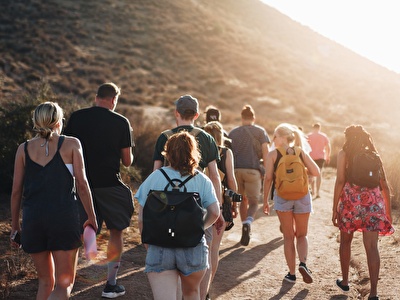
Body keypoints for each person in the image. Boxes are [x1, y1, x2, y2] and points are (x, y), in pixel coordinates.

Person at [10, 102, 98, 300]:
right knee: (63, 285)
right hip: (64, 219)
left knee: (45, 282)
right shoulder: (72, 144)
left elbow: (16, 191)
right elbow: (82, 185)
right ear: (59, 121)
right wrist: (91, 217)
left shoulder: (23, 149)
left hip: (33, 220)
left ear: (36, 121)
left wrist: (15, 226)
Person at [64, 82, 134, 298]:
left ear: (96, 97)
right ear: (114, 99)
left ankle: (67, 284)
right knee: (116, 230)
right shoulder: (121, 121)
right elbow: (128, 161)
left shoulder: (76, 117)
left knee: (80, 228)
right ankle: (110, 285)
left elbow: (65, 150)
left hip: (80, 183)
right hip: (109, 184)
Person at [152, 95, 224, 300]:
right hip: (198, 205)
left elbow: (155, 172)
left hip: (167, 205)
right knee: (204, 254)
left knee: (169, 254)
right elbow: (215, 176)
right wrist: (217, 208)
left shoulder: (163, 136)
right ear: (197, 115)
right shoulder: (207, 138)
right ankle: (200, 296)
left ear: (176, 113)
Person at [135, 131, 220, 300]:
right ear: (193, 152)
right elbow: (215, 212)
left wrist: (147, 241)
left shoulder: (155, 177)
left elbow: (141, 216)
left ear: (168, 152)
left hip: (160, 245)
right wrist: (197, 228)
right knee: (191, 294)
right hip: (192, 246)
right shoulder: (202, 180)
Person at [332, 125, 394, 300]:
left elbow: (340, 181)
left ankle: (345, 282)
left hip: (351, 203)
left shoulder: (345, 154)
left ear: (347, 138)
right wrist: (387, 213)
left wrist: (334, 208)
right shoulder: (374, 156)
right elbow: (385, 186)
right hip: (373, 204)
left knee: (345, 241)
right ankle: (373, 293)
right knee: (372, 247)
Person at [262, 123, 320, 284]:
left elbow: (267, 179)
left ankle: (292, 274)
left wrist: (266, 200)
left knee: (288, 237)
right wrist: (301, 172)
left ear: (281, 137)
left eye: (275, 136)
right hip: (302, 195)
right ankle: (303, 263)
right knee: (302, 235)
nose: (273, 139)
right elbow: (316, 172)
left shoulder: (272, 154)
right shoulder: (301, 152)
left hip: (282, 197)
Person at [203, 121, 238, 298]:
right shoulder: (225, 152)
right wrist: (235, 203)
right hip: (220, 201)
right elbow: (230, 178)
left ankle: (194, 287)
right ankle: (206, 289)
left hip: (200, 202)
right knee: (214, 248)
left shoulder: (199, 150)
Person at [229, 104, 270, 246]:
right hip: (253, 171)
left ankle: (243, 228)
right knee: (253, 202)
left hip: (235, 171)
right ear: (253, 118)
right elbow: (266, 152)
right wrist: (266, 169)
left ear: (241, 118)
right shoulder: (260, 132)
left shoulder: (233, 133)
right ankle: (248, 223)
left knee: (242, 201)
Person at [307, 123, 331, 199]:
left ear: (313, 128)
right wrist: (327, 156)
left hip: (310, 157)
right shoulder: (323, 136)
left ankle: (312, 191)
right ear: (319, 128)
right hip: (320, 157)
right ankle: (317, 192)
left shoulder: (308, 136)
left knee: (310, 174)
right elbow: (328, 147)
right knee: (319, 174)